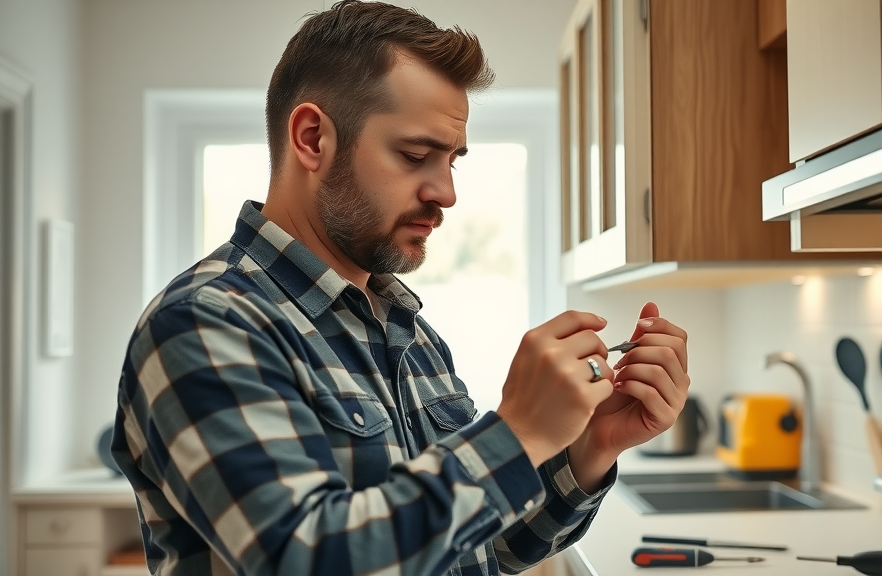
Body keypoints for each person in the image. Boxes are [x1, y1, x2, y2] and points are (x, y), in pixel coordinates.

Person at [111, 2, 690, 575]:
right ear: (312, 139)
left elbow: (483, 548)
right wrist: (519, 433)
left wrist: (592, 446)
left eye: (452, 161)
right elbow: (306, 560)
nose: (446, 193)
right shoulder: (204, 323)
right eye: (416, 156)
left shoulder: (411, 335)